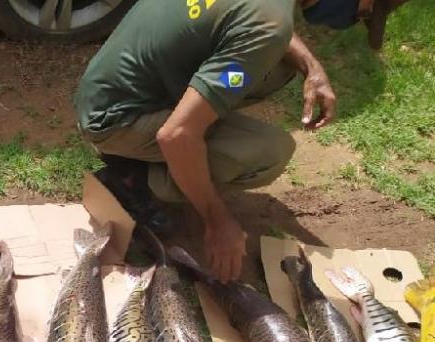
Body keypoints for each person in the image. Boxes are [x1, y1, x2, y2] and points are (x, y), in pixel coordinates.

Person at [76, 0, 409, 282]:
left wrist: (312, 67)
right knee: (269, 151)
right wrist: (217, 220)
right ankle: (136, 179)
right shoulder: (268, 25)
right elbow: (176, 135)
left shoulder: (268, 14)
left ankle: (168, 139)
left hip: (105, 85)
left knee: (273, 61)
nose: (355, 20)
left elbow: (261, 23)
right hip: (114, 119)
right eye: (364, 12)